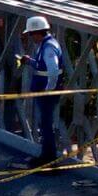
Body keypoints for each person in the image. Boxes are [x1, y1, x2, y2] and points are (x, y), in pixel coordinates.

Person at [17, 15, 63, 167]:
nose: (31, 37)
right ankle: (47, 155)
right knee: (44, 124)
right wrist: (29, 61)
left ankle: (48, 157)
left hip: (46, 93)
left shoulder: (48, 47)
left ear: (38, 32)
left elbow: (53, 70)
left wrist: (48, 90)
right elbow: (42, 66)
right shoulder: (45, 45)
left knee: (46, 124)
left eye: (31, 34)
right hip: (44, 91)